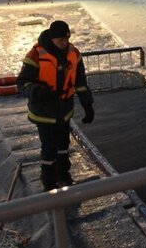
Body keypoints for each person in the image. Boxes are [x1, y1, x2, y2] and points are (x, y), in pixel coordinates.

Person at [16, 20, 95, 191]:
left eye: (66, 40)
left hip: (64, 110)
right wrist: (37, 91)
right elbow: (22, 83)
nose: (64, 44)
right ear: (52, 39)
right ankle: (49, 181)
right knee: (49, 147)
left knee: (63, 145)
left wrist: (87, 104)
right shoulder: (35, 55)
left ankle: (64, 175)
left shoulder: (74, 54)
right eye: (60, 40)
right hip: (44, 112)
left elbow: (80, 82)